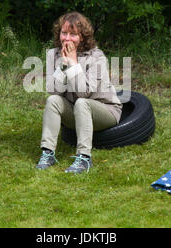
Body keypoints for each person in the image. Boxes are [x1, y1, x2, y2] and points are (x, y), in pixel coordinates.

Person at [36, 11, 122, 173]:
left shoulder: (97, 57)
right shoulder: (53, 54)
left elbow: (84, 93)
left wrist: (74, 64)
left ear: (83, 37)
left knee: (82, 103)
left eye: (73, 34)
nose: (67, 39)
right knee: (53, 100)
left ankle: (84, 158)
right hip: (76, 109)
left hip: (105, 110)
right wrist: (63, 64)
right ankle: (48, 153)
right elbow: (53, 90)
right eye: (64, 33)